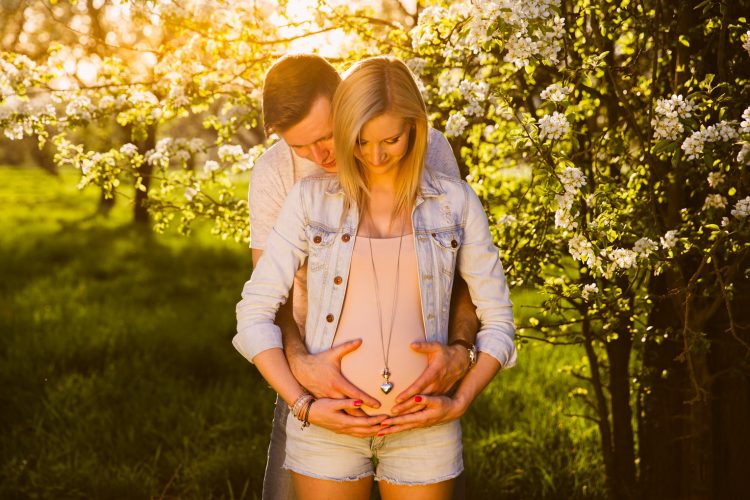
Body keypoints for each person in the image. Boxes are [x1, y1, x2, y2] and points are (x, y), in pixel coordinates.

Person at [234, 56, 516, 499]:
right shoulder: (290, 184)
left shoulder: (440, 173)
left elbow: (460, 283)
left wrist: (460, 359)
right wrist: (303, 386)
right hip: (316, 395)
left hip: (423, 422)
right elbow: (267, 304)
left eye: (328, 136)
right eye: (301, 147)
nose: (320, 155)